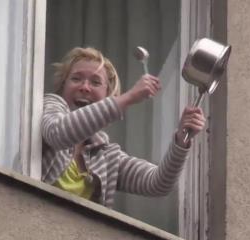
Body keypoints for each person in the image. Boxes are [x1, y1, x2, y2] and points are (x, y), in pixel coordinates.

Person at [42, 47, 206, 208]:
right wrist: (129, 97)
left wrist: (181, 139)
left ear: (108, 96)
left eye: (95, 82)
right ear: (63, 86)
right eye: (76, 79)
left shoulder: (105, 157)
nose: (85, 87)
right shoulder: (50, 106)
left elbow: (159, 183)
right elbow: (58, 133)